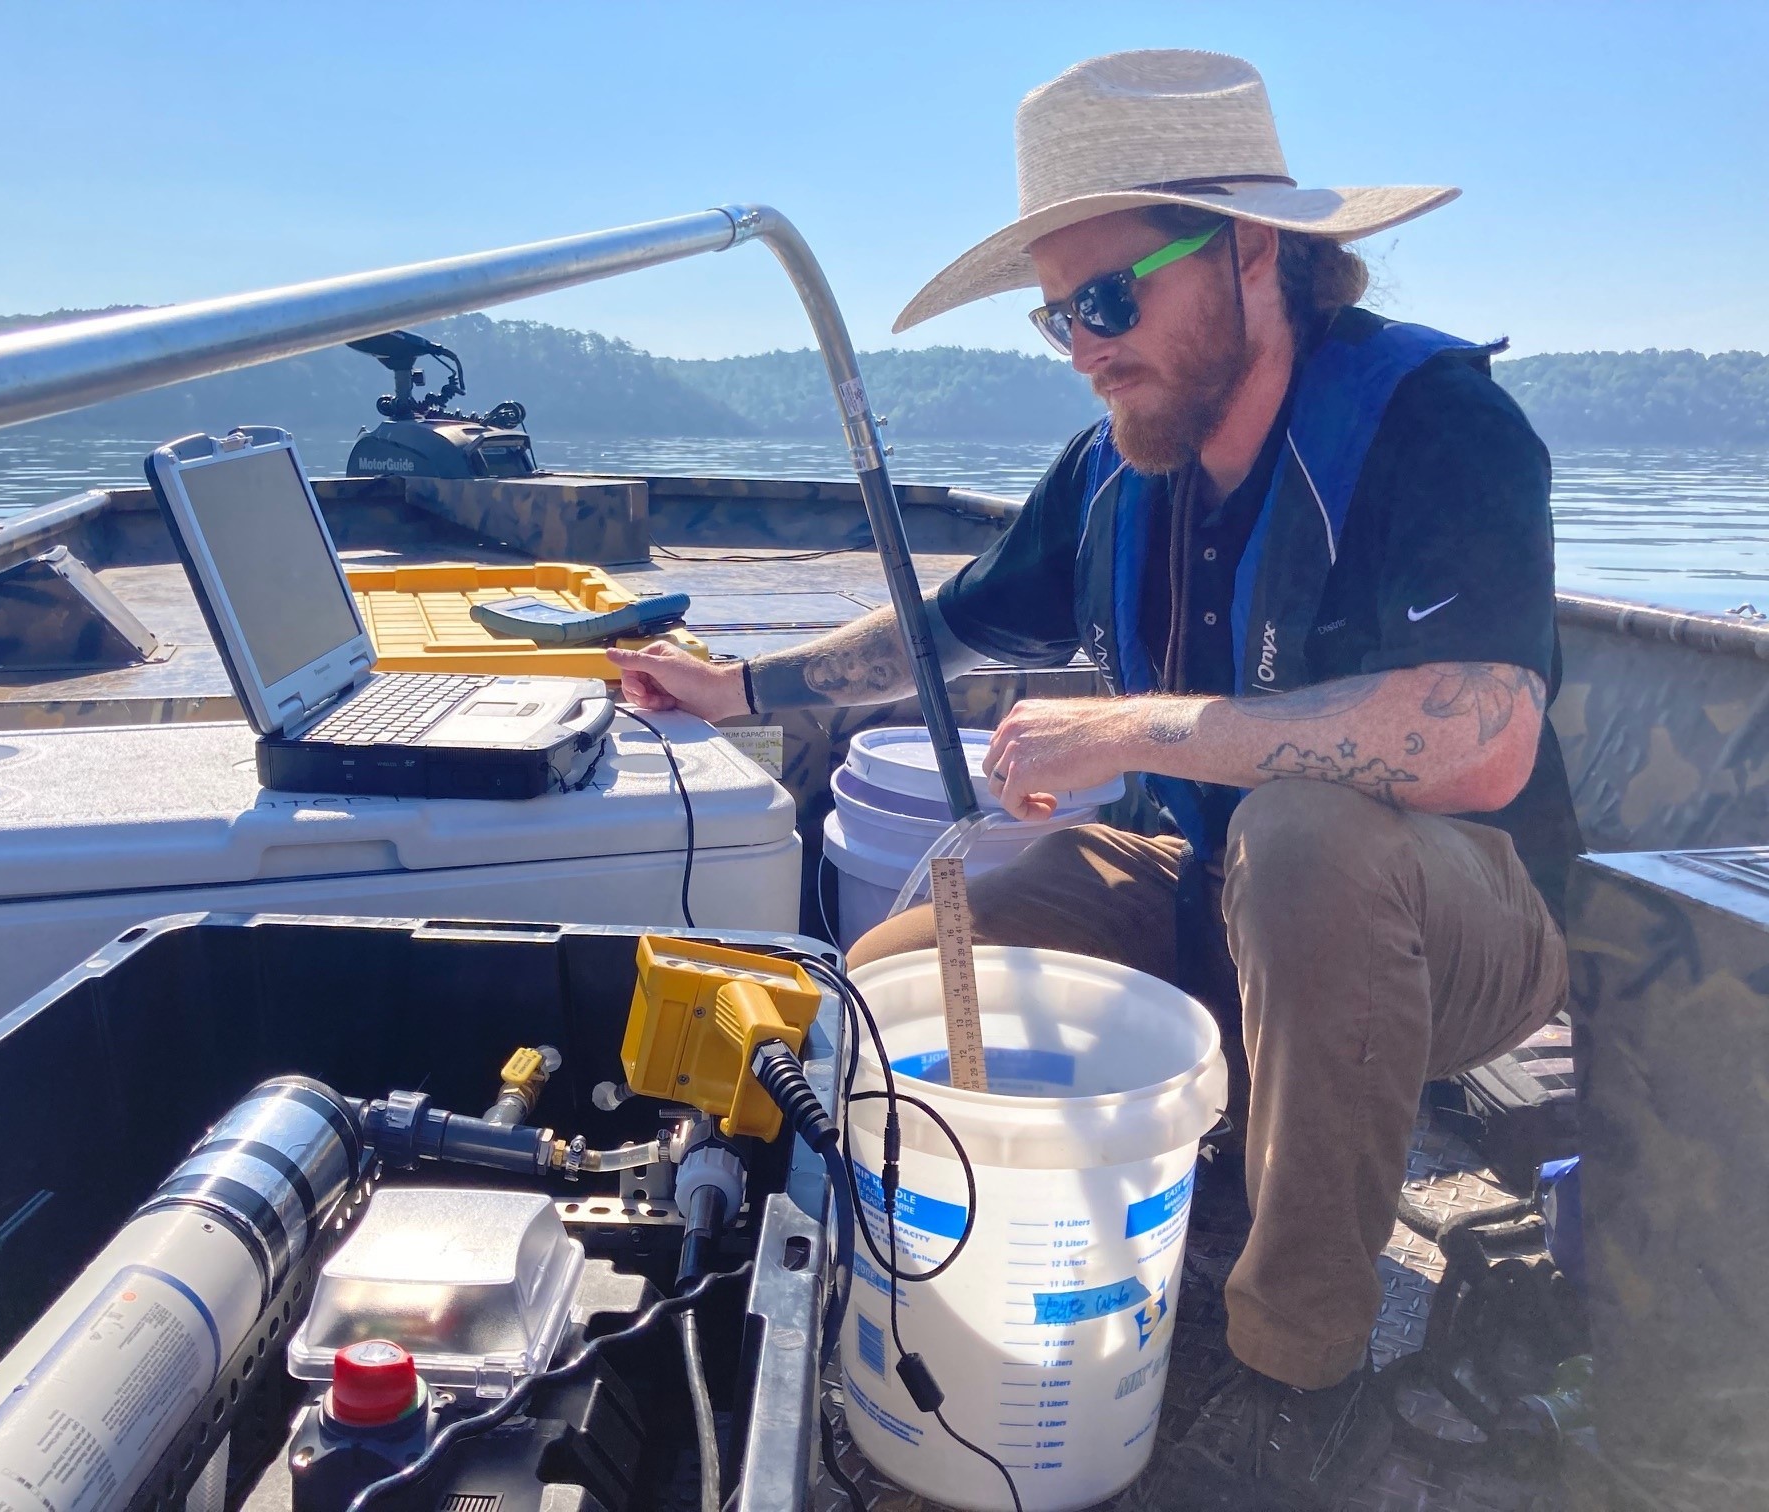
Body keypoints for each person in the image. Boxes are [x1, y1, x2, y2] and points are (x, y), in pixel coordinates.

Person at [611, 48, 1578, 1511]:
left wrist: (1135, 731)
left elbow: (1484, 732)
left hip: (1469, 928)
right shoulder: (1117, 469)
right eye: (1058, 313)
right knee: (922, 949)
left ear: (1255, 253)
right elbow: (940, 636)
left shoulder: (1435, 426)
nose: (1081, 344)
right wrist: (736, 691)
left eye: (1109, 299)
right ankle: (919, 1257)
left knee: (1309, 843)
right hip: (1222, 899)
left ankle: (1296, 1369)